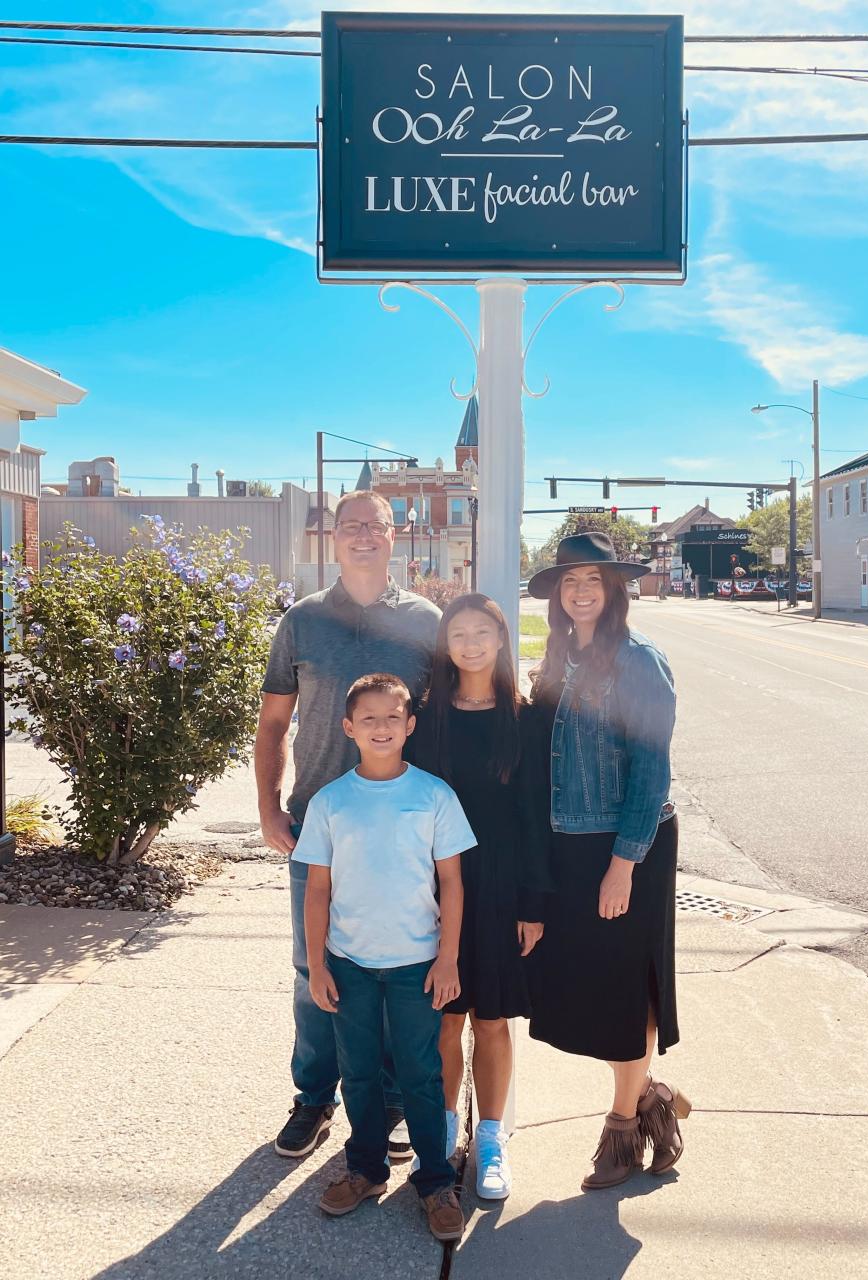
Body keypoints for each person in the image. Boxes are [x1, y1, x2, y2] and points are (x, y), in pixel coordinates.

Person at [256, 490, 441, 1159]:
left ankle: (389, 1102)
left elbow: (451, 719)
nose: (364, 535)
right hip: (317, 829)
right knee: (315, 972)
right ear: (331, 538)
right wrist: (268, 807)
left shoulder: (426, 622)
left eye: (377, 526)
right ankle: (314, 1098)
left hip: (403, 833)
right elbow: (274, 724)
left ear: (397, 537)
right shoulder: (301, 623)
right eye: (351, 525)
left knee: (394, 969)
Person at [527, 531, 690, 1192]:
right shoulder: (559, 659)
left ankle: (622, 1131)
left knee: (625, 990)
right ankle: (649, 1093)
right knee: (582, 990)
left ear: (616, 590)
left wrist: (624, 864)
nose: (582, 591)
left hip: (628, 844)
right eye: (571, 582)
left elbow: (652, 772)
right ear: (558, 597)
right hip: (569, 842)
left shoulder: (638, 662)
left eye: (594, 581)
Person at [295, 673, 474, 1242]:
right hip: (348, 963)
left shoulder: (433, 795)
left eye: (391, 718)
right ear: (348, 728)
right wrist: (318, 965)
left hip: (416, 964)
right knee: (359, 1071)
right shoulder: (331, 801)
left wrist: (448, 960)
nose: (380, 727)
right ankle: (366, 1168)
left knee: (422, 1073)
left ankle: (435, 1180)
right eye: (367, 719)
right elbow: (317, 889)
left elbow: (453, 884)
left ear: (409, 726)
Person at [409, 593, 552, 1201]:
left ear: (500, 640)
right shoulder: (423, 716)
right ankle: (441, 1136)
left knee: (491, 1021)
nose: (470, 643)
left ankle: (490, 1140)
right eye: (458, 632)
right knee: (443, 1021)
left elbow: (535, 818)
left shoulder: (523, 719)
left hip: (499, 885)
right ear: (446, 644)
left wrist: (534, 903)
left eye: (482, 632)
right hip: (432, 886)